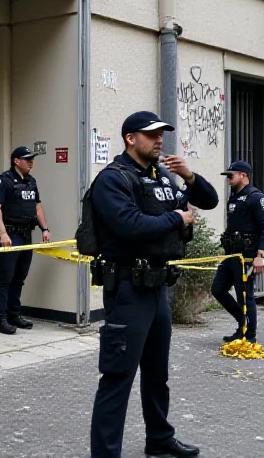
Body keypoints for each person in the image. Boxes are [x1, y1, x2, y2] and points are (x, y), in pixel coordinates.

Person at [89, 111, 219, 458]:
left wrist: (188, 176)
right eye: (151, 134)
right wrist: (177, 217)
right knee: (118, 378)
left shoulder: (161, 176)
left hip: (158, 287)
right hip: (129, 288)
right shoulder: (112, 179)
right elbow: (130, 225)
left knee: (157, 375)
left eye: (162, 133)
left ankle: (159, 439)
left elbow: (208, 200)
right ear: (131, 138)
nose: (159, 139)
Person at [0, 146, 50, 335]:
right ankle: (0, 319)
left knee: (19, 278)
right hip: (10, 234)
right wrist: (2, 234)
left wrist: (45, 229)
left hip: (26, 234)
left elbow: (37, 207)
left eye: (32, 159)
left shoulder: (31, 182)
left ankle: (14, 314)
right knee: (4, 277)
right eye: (27, 159)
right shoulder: (3, 181)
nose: (31, 162)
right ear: (16, 161)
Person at [213, 160, 264, 344]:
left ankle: (249, 336)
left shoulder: (256, 198)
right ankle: (242, 322)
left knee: (245, 296)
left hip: (247, 256)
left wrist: (260, 255)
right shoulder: (234, 196)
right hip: (232, 255)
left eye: (231, 175)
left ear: (243, 175)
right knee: (218, 289)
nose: (228, 178)